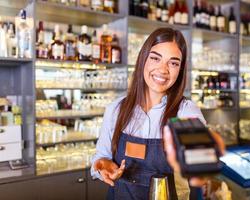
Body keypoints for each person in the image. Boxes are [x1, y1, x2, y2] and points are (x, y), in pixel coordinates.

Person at [91, 27, 225, 199]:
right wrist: (103, 165)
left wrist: (203, 160)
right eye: (155, 58)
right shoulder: (116, 109)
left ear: (180, 70)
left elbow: (201, 164)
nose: (163, 69)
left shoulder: (185, 112)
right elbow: (101, 157)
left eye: (173, 63)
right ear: (143, 59)